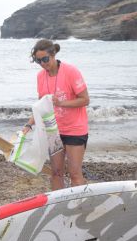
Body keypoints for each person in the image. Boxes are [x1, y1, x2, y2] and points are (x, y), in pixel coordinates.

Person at [23, 39, 90, 190]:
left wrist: (60, 103)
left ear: (53, 55)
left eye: (45, 59)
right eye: (38, 60)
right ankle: (60, 208)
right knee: (56, 172)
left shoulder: (71, 71)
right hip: (53, 131)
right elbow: (41, 106)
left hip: (74, 129)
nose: (42, 63)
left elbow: (85, 99)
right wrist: (29, 124)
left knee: (74, 173)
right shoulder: (40, 77)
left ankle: (81, 206)